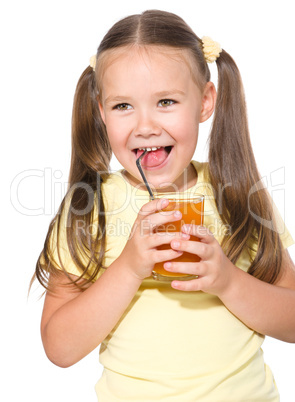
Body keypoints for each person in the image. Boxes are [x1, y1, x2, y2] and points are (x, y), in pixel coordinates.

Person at [33, 9, 295, 401]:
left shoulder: (239, 195)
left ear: (205, 102)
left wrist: (227, 279)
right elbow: (60, 348)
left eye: (166, 101)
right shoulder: (88, 210)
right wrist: (128, 267)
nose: (145, 125)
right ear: (102, 112)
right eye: (123, 106)